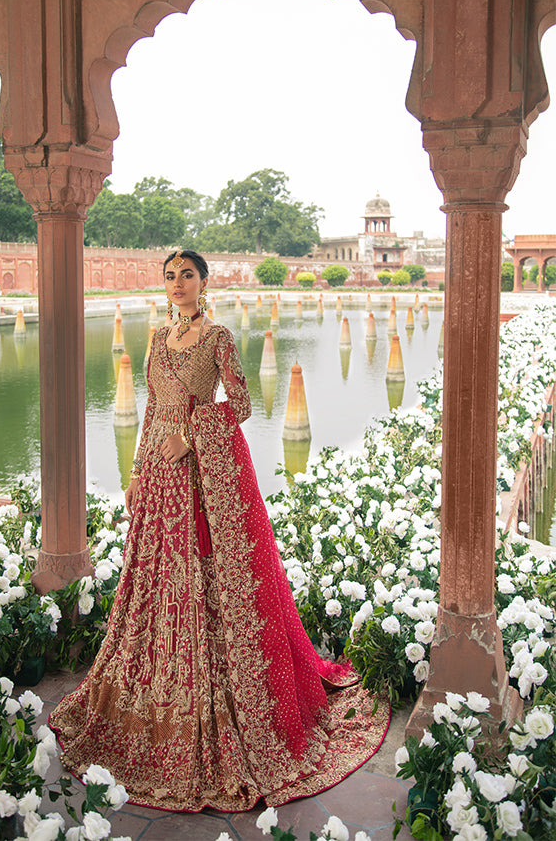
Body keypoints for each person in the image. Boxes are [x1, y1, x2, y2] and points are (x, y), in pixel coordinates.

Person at [49, 250, 388, 813]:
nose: (178, 284)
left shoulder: (219, 339)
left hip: (202, 484)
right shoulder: (157, 340)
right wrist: (136, 472)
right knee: (153, 588)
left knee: (205, 586)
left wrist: (194, 434)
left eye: (187, 276)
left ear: (204, 283)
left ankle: (218, 697)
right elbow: (155, 406)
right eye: (170, 276)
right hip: (159, 481)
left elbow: (245, 404)